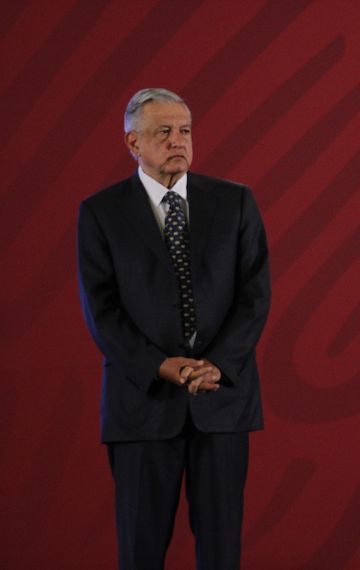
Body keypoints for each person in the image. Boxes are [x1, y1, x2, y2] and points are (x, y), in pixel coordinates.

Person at [77, 88, 271, 569]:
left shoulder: (235, 202)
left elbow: (255, 296)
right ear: (132, 142)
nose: (177, 141)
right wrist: (158, 365)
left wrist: (218, 366)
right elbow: (102, 311)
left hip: (221, 402)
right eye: (163, 132)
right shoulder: (102, 212)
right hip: (141, 406)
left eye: (184, 130)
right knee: (140, 552)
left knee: (222, 552)